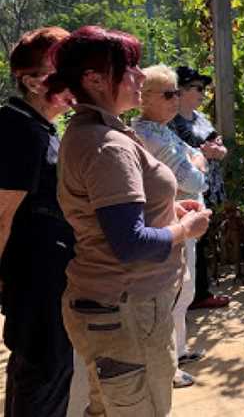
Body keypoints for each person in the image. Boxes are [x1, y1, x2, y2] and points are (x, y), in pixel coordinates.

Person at [48, 26, 212, 416]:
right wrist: (182, 230)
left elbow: (108, 216)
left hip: (113, 310)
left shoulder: (95, 132)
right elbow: (130, 242)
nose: (141, 76)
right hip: (126, 313)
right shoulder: (108, 146)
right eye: (131, 67)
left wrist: (167, 211)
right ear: (95, 79)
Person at [0, 27, 75, 417]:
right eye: (60, 73)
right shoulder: (19, 130)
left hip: (48, 277)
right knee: (43, 375)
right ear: (32, 81)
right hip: (34, 280)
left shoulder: (40, 127)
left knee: (42, 374)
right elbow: (1, 215)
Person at [133, 65, 210, 389]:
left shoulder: (160, 130)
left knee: (183, 291)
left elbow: (196, 156)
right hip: (171, 223)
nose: (176, 99)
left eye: (177, 92)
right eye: (168, 94)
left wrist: (196, 159)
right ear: (144, 98)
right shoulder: (150, 135)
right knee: (173, 294)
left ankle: (177, 352)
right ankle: (167, 367)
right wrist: (196, 161)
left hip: (180, 219)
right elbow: (194, 177)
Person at [169, 66, 230, 310]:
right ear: (181, 90)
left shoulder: (200, 117)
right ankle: (193, 294)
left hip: (208, 186)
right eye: (198, 88)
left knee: (202, 238)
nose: (203, 93)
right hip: (184, 191)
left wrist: (217, 151)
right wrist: (203, 152)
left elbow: (219, 146)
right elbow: (176, 154)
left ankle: (198, 291)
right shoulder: (171, 121)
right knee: (190, 239)